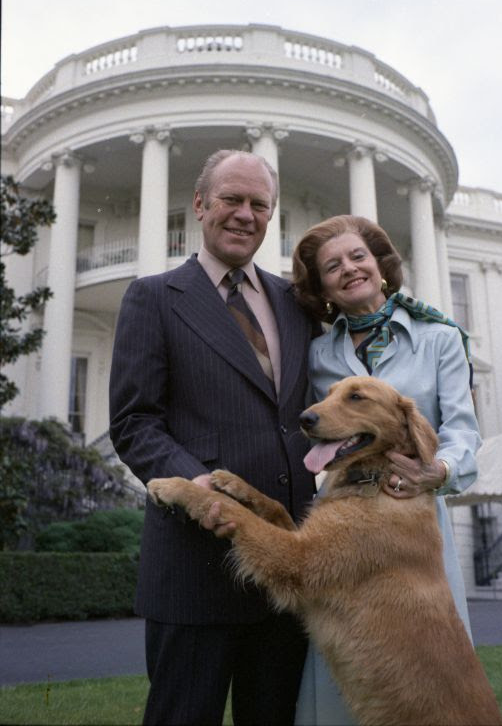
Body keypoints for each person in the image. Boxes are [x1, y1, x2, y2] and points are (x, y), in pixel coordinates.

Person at [109, 150, 319, 726]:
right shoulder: (153, 298)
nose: (245, 214)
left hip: (283, 564)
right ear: (200, 205)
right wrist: (199, 491)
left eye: (259, 204)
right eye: (232, 199)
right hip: (195, 567)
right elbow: (133, 422)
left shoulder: (296, 304)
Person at [290, 214, 481, 726]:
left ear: (380, 266)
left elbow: (463, 430)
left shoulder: (439, 337)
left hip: (413, 527)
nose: (348, 269)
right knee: (345, 664)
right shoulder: (317, 354)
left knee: (428, 675)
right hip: (345, 527)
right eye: (332, 266)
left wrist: (437, 470)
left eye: (357, 257)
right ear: (323, 287)